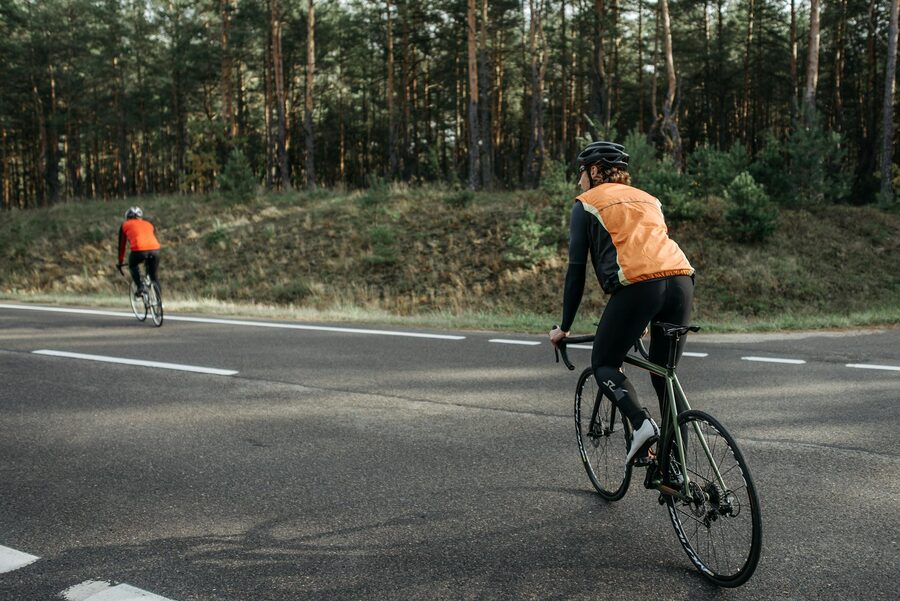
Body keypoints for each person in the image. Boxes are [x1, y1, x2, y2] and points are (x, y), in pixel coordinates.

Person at [549, 141, 695, 467]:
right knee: (665, 377)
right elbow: (650, 248)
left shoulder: (586, 203)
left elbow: (576, 272)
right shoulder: (649, 199)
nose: (579, 181)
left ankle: (642, 425)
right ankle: (677, 470)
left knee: (603, 362)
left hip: (640, 287)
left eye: (581, 173)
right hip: (682, 280)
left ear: (596, 171)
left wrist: (565, 327)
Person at [117, 207, 161, 298]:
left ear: (127, 217)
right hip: (155, 250)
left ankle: (140, 287)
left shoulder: (125, 225)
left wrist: (120, 262)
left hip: (139, 250)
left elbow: (122, 246)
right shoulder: (149, 224)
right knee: (154, 277)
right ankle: (159, 302)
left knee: (132, 265)